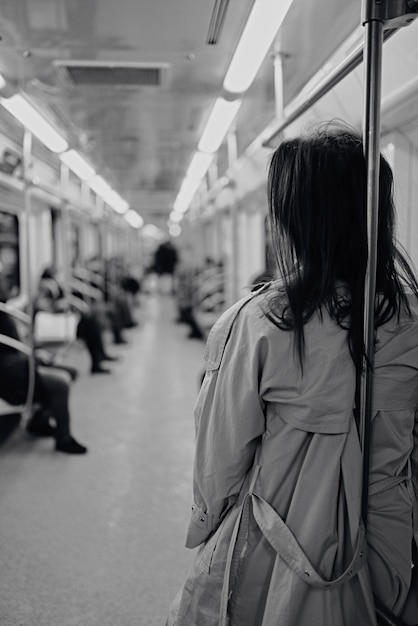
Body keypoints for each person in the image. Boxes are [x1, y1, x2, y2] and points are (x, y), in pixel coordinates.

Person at [167, 123, 418, 625]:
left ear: (290, 219)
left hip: (283, 542)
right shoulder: (408, 317)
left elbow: (220, 459)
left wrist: (206, 525)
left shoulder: (260, 321)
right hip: (392, 543)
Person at [0, 274, 87, 454]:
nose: (7, 286)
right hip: (10, 374)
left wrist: (33, 355)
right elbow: (6, 357)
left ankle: (39, 420)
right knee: (60, 383)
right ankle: (63, 438)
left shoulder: (5, 313)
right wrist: (30, 358)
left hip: (19, 365)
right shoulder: (3, 315)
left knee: (70, 372)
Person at [35, 266, 117, 374]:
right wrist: (57, 305)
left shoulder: (55, 286)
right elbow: (41, 305)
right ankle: (98, 360)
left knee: (91, 322)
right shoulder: (45, 287)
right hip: (56, 325)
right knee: (90, 324)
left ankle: (99, 356)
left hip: (63, 322)